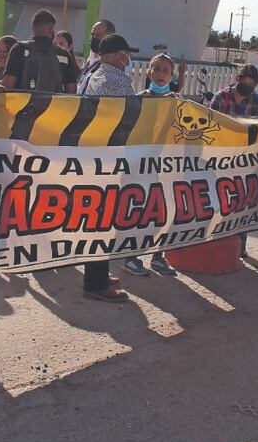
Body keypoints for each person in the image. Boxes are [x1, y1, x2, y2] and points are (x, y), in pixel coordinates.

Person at [80, 34, 140, 300]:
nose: (128, 60)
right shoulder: (117, 80)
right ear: (118, 56)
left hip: (94, 156)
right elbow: (136, 113)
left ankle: (99, 273)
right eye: (126, 55)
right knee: (101, 220)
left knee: (97, 217)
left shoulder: (93, 74)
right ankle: (95, 283)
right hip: (109, 157)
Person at [122, 53, 181, 277]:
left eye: (165, 70)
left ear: (172, 75)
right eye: (156, 69)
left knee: (162, 212)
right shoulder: (138, 100)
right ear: (149, 72)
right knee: (136, 211)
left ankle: (158, 256)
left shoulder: (176, 102)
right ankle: (130, 257)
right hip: (138, 165)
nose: (160, 74)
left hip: (164, 166)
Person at [208, 63, 258, 262]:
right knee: (219, 201)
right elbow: (209, 124)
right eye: (246, 83)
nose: (248, 88)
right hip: (221, 158)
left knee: (243, 204)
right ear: (238, 79)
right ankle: (215, 243)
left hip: (245, 161)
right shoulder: (221, 97)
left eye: (252, 85)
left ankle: (240, 246)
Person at [1, 10, 79, 93]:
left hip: (23, 101)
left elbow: (7, 86)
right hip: (54, 101)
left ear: (32, 27)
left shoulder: (19, 48)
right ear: (51, 28)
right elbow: (72, 90)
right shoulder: (64, 54)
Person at [76, 19, 116, 94]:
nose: (93, 38)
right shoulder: (92, 58)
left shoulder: (116, 62)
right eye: (92, 35)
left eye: (98, 35)